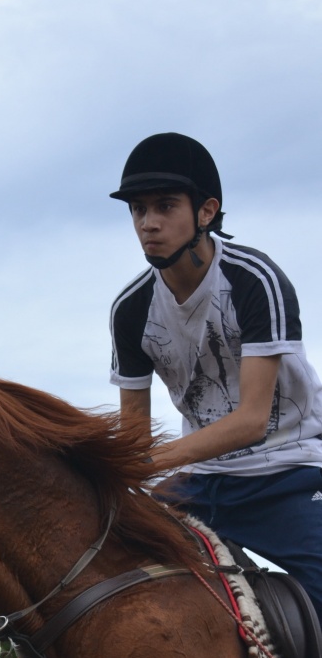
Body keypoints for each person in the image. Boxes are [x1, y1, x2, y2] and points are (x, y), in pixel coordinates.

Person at [108, 131, 322, 626]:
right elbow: (133, 436)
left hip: (291, 474)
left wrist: (149, 461)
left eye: (164, 206)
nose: (149, 223)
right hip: (201, 487)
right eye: (138, 210)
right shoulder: (130, 309)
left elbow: (251, 421)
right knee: (98, 568)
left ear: (206, 212)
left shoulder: (255, 279)